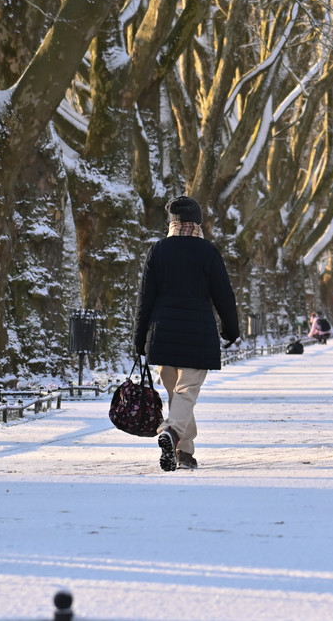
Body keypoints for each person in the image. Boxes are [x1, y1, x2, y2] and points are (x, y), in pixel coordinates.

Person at [134, 196, 240, 471]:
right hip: (197, 334)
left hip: (163, 334)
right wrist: (231, 328)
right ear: (197, 222)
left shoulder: (158, 250)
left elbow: (145, 298)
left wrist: (139, 337)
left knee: (177, 395)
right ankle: (170, 433)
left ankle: (184, 453)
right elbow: (224, 296)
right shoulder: (208, 252)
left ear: (172, 222)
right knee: (186, 392)